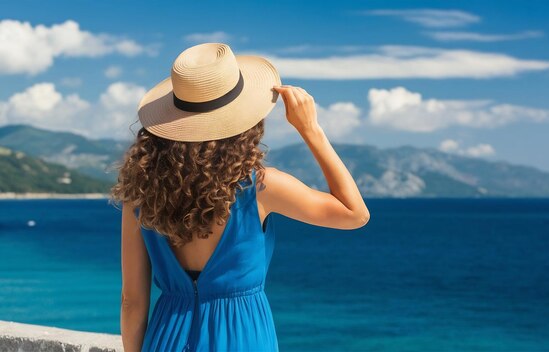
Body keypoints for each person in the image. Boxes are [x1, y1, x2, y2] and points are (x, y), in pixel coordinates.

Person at [109, 43, 370, 351]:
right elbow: (355, 214)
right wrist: (311, 129)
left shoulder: (141, 193)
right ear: (244, 121)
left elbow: (132, 302)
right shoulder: (261, 187)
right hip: (242, 338)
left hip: (167, 337)